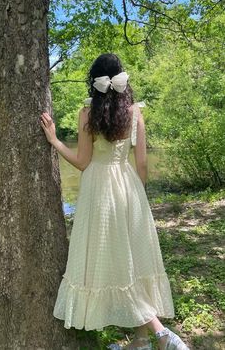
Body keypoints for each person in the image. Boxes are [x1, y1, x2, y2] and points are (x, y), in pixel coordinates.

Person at [40, 53, 189, 350]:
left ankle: (163, 336)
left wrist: (56, 141)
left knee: (115, 263)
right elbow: (142, 164)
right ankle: (141, 341)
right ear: (120, 78)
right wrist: (138, 196)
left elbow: (83, 161)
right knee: (130, 261)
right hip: (129, 188)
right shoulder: (135, 113)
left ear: (95, 80)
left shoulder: (87, 113)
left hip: (100, 191)